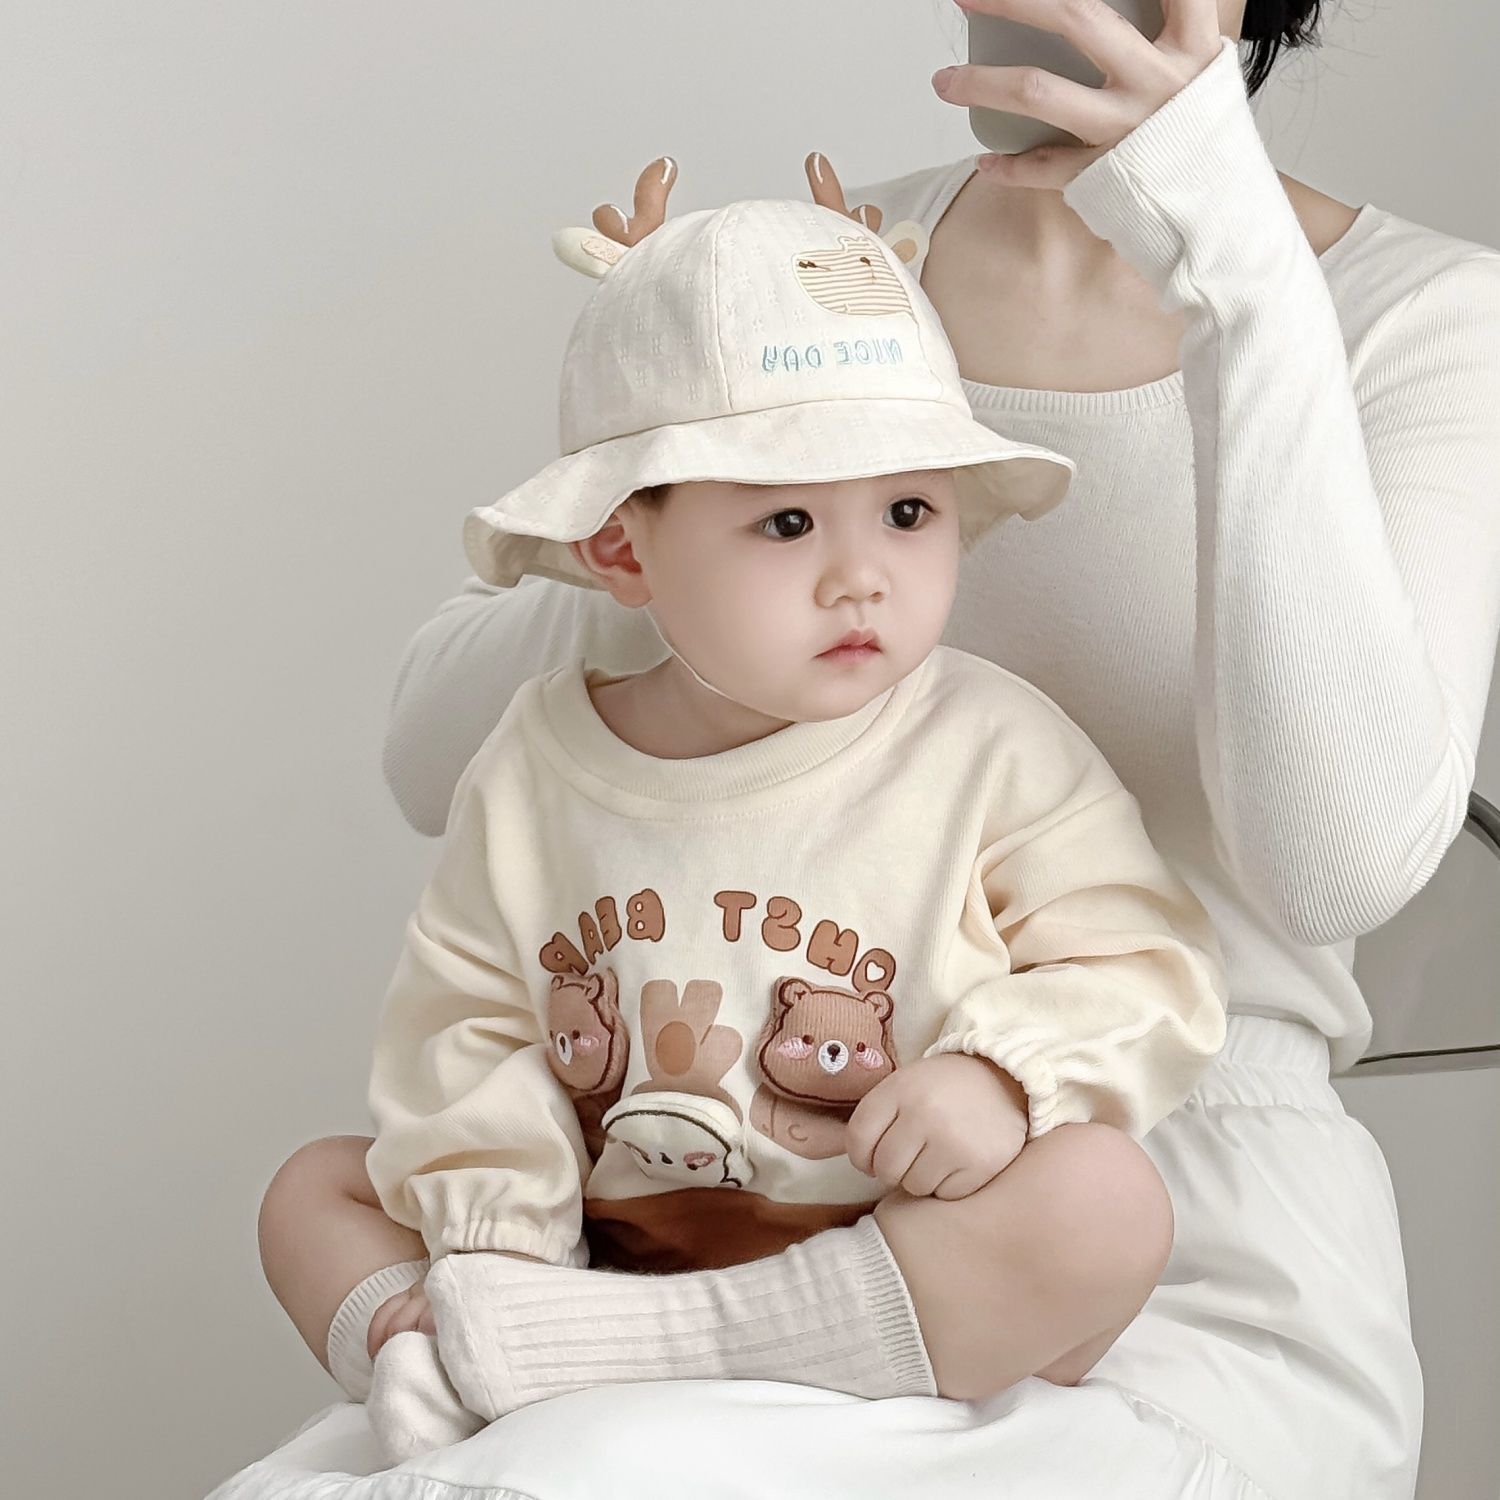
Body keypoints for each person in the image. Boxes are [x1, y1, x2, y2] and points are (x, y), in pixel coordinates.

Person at [258, 2, 1500, 1495]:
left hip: (1140, 1191)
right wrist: (667, 454)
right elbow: (439, 761)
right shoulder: (830, 266)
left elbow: (1335, 869)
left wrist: (1232, 264)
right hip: (686, 1184)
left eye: (913, 510)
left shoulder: (1420, 316)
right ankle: (551, 1343)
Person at [263, 175, 1232, 1467]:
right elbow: (466, 1025)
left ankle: (668, 1352)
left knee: (1105, 1205)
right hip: (602, 1247)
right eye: (786, 520)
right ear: (624, 556)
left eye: (909, 511)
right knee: (310, 1195)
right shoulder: (539, 767)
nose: (862, 574)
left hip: (894, 1236)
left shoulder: (985, 744)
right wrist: (504, 1233)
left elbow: (1145, 959)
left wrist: (1000, 1074)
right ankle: (446, 1342)